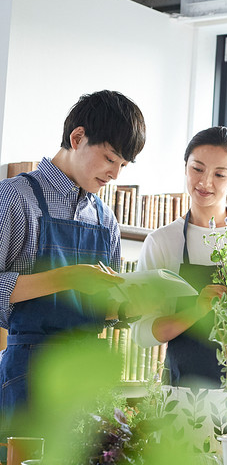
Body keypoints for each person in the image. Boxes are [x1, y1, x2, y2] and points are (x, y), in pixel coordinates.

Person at [0, 90, 146, 432]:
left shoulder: (106, 219)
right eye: (110, 158)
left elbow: (100, 310)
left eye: (122, 166)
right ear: (77, 137)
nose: (114, 174)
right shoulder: (15, 197)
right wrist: (70, 277)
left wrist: (131, 308)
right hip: (28, 375)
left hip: (87, 381)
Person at [131, 127, 227, 389]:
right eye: (197, 169)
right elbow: (140, 334)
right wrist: (196, 312)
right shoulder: (162, 242)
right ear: (185, 167)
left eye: (219, 174)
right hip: (183, 401)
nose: (205, 182)